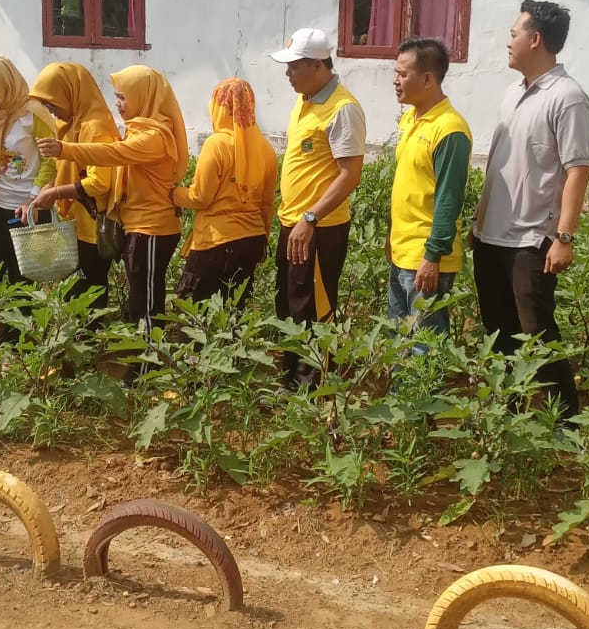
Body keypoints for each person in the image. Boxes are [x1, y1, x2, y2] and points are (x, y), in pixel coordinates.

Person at [471, 0, 589, 419]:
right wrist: (479, 217)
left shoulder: (568, 97)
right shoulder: (512, 93)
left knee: (537, 333)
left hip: (531, 239)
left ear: (535, 38)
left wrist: (564, 237)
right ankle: (510, 412)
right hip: (491, 234)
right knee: (498, 330)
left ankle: (566, 420)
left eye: (513, 33)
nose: (508, 41)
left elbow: (577, 170)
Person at [38, 65, 187, 333]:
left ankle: (147, 365)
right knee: (139, 300)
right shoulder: (140, 128)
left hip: (152, 228)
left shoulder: (154, 137)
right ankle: (141, 365)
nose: (117, 104)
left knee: (147, 305)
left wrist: (65, 150)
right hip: (139, 227)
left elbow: (114, 154)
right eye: (116, 96)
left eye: (123, 97)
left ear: (145, 95)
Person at [269, 27, 366, 386]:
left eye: (294, 66)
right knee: (290, 303)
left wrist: (311, 217)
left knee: (313, 308)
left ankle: (313, 384)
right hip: (294, 223)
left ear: (316, 65)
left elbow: (349, 175)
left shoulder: (343, 109)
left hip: (319, 228)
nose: (288, 74)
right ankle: (292, 377)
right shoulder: (306, 99)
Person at [388, 37, 472, 337]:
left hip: (425, 257)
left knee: (425, 348)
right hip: (402, 251)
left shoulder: (449, 129)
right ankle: (398, 387)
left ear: (427, 79)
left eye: (402, 74)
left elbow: (449, 199)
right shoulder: (411, 117)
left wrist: (433, 256)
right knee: (398, 341)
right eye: (395, 73)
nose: (395, 81)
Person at [170, 78, 278, 307]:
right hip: (252, 240)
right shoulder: (266, 149)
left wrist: (173, 194)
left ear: (219, 107)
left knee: (192, 310)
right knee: (233, 311)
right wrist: (263, 239)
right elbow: (267, 204)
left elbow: (200, 197)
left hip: (216, 242)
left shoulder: (216, 144)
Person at [24, 62, 121, 311]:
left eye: (53, 103)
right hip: (73, 223)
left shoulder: (95, 126)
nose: (51, 111)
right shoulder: (68, 125)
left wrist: (55, 193)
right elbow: (58, 168)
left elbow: (99, 182)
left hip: (92, 226)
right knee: (74, 291)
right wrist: (40, 195)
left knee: (90, 290)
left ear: (70, 93)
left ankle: (92, 342)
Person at [0, 55, 56, 283]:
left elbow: (51, 160)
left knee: (25, 277)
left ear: (5, 85)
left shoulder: (33, 114)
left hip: (29, 209)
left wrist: (33, 199)